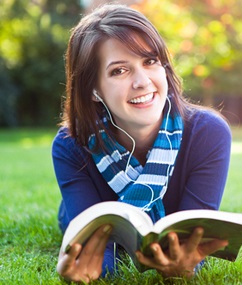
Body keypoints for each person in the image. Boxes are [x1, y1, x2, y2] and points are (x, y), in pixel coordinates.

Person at [52, 3, 231, 283]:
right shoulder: (70, 145)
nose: (142, 82)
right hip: (79, 206)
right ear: (94, 90)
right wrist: (87, 270)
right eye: (119, 71)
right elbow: (99, 259)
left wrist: (185, 266)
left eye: (150, 62)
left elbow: (193, 245)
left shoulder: (208, 133)